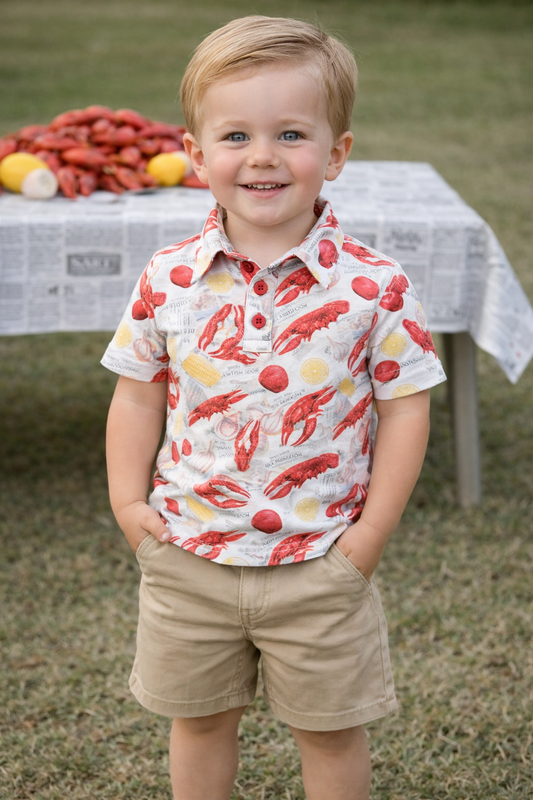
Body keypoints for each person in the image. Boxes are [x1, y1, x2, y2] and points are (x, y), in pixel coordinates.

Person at [102, 15, 446, 800]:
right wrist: (128, 503)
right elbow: (137, 389)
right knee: (198, 722)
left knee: (329, 734)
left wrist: (367, 539)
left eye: (290, 133)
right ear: (195, 155)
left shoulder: (374, 285)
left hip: (321, 562)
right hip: (188, 556)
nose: (261, 156)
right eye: (234, 136)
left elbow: (405, 409)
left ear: (336, 153)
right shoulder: (167, 278)